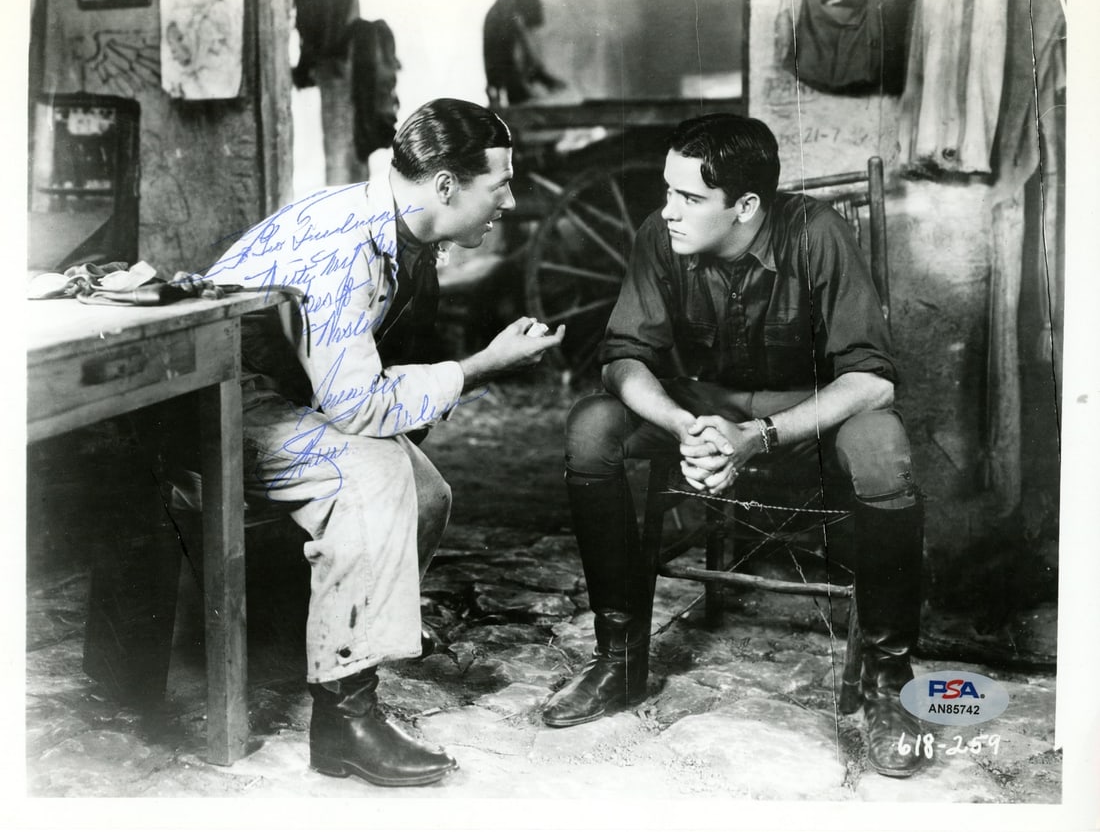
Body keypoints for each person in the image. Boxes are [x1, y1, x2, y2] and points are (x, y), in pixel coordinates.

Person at [541, 113, 926, 778]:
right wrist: (680, 423)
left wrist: (762, 435)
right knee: (590, 428)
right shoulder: (659, 238)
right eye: (667, 191)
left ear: (746, 206)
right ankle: (619, 660)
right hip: (698, 409)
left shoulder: (818, 235)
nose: (668, 212)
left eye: (689, 198)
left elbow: (872, 379)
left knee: (883, 450)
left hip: (803, 420)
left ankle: (889, 685)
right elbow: (624, 358)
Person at [203, 98, 564, 787]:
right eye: (501, 185)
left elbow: (355, 382)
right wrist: (482, 366)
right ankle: (344, 721)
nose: (511, 202)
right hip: (215, 404)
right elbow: (361, 405)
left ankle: (337, 649)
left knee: (425, 492)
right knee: (375, 475)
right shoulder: (347, 245)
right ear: (447, 186)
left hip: (281, 394)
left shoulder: (398, 225)